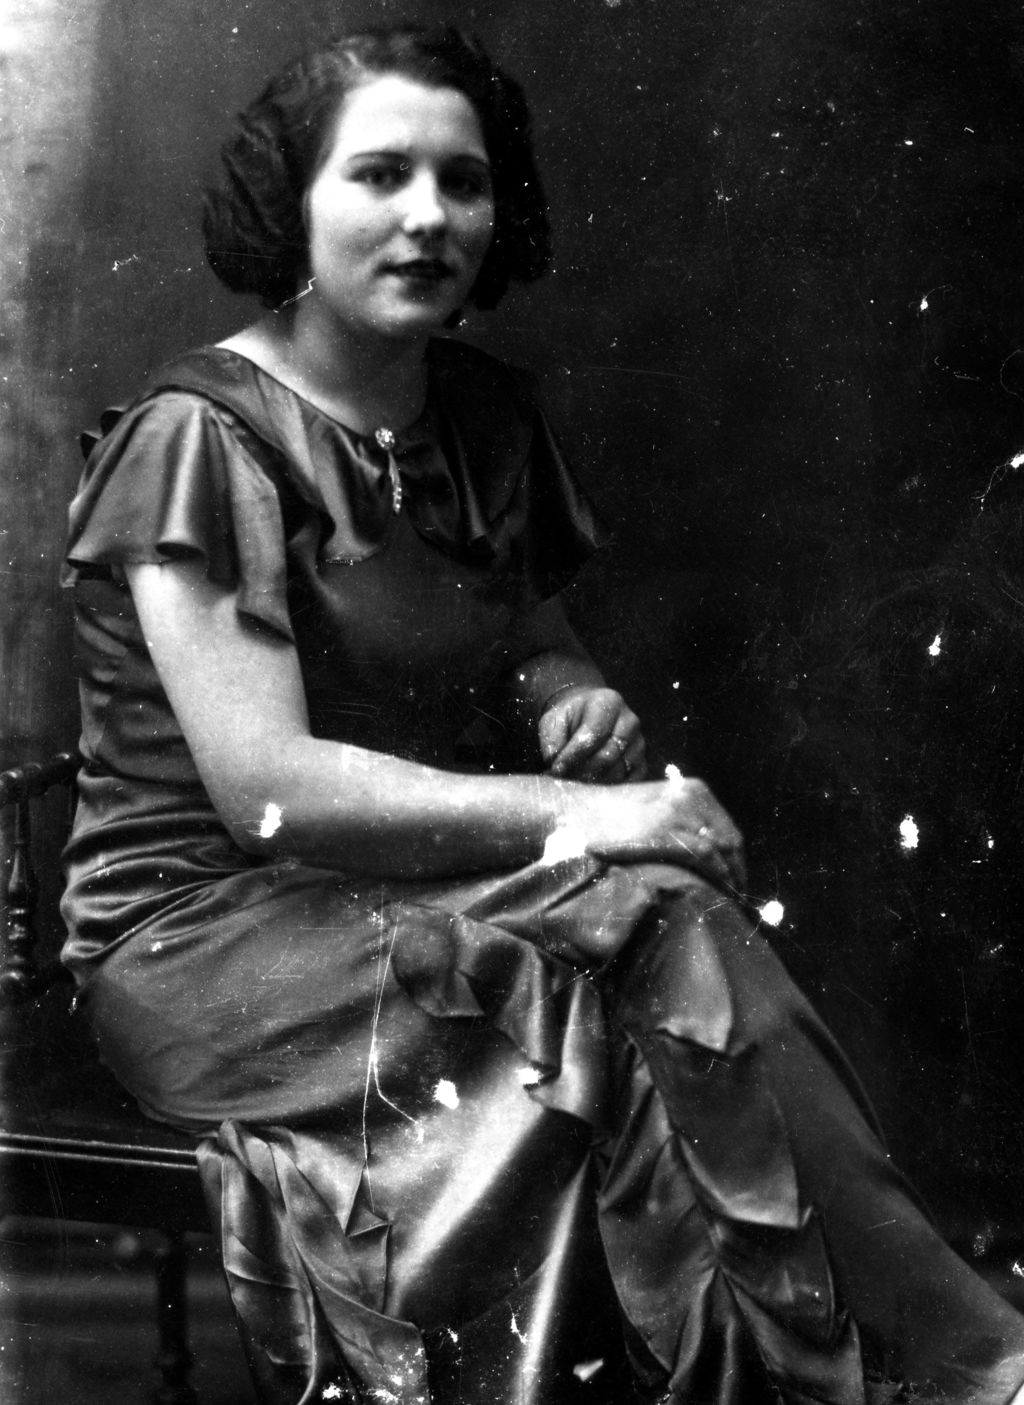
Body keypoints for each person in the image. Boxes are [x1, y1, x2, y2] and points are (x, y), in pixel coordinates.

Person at [60, 23, 1024, 1405]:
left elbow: (534, 643)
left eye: (463, 182)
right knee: (643, 925)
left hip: (395, 893)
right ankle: (961, 1357)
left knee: (661, 919)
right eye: (379, 175)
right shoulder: (198, 435)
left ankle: (906, 1357)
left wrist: (578, 705)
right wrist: (588, 813)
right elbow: (268, 792)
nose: (429, 218)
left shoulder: (480, 418)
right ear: (290, 204)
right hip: (210, 937)